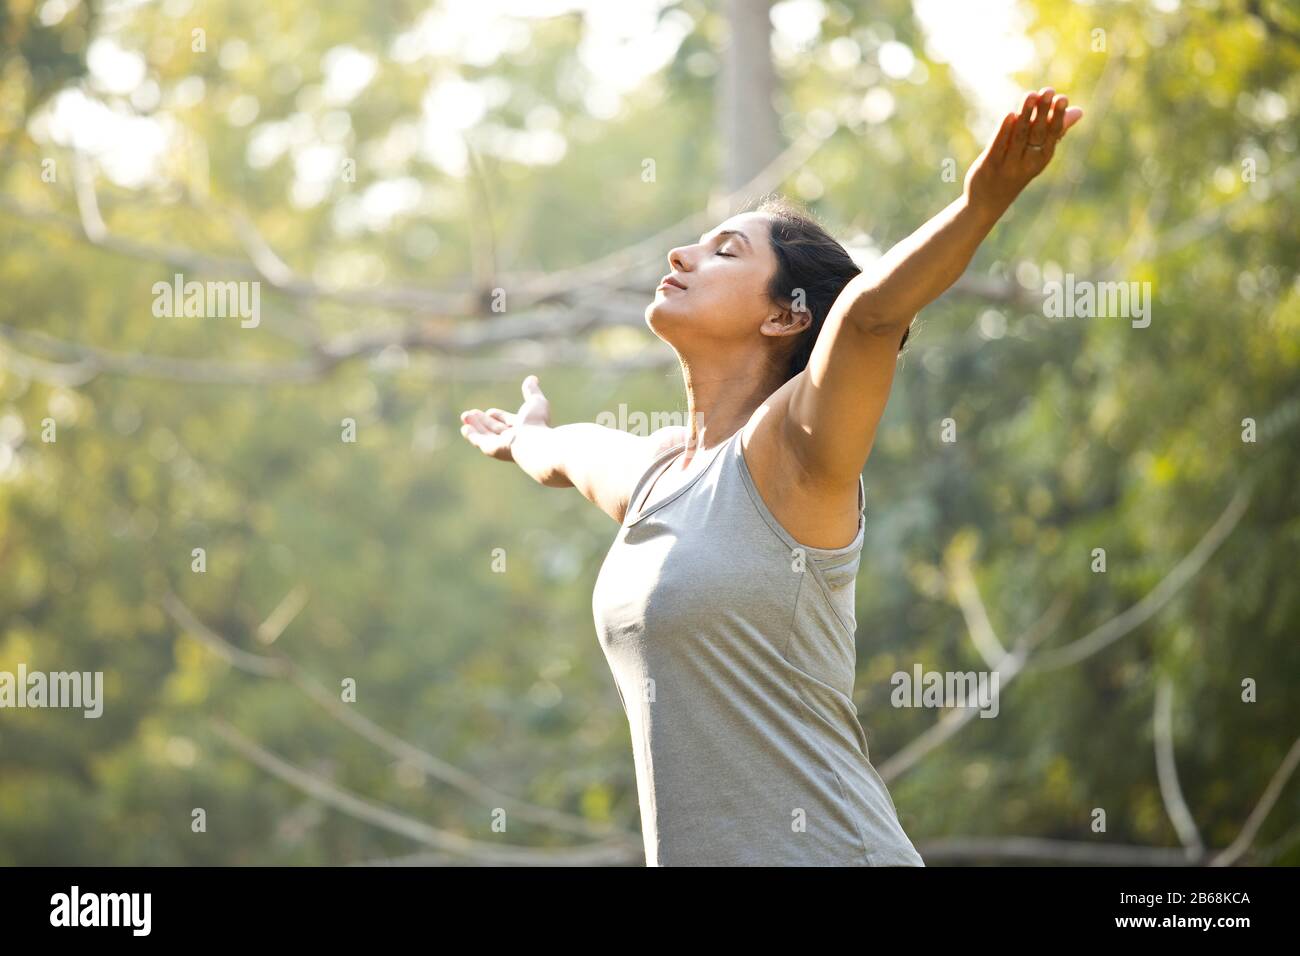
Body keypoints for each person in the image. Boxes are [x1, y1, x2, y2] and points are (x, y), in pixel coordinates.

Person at [461, 87, 1083, 865]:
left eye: (726, 251)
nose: (681, 255)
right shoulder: (658, 475)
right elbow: (568, 453)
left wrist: (979, 204)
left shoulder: (792, 453)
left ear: (786, 315)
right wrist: (525, 438)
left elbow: (869, 319)